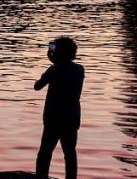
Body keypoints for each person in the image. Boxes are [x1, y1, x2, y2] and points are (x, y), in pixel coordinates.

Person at [35, 36, 84, 179]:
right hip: (71, 117)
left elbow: (37, 86)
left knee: (45, 152)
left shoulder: (54, 69)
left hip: (54, 118)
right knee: (70, 153)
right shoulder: (79, 69)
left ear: (58, 52)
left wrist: (52, 64)